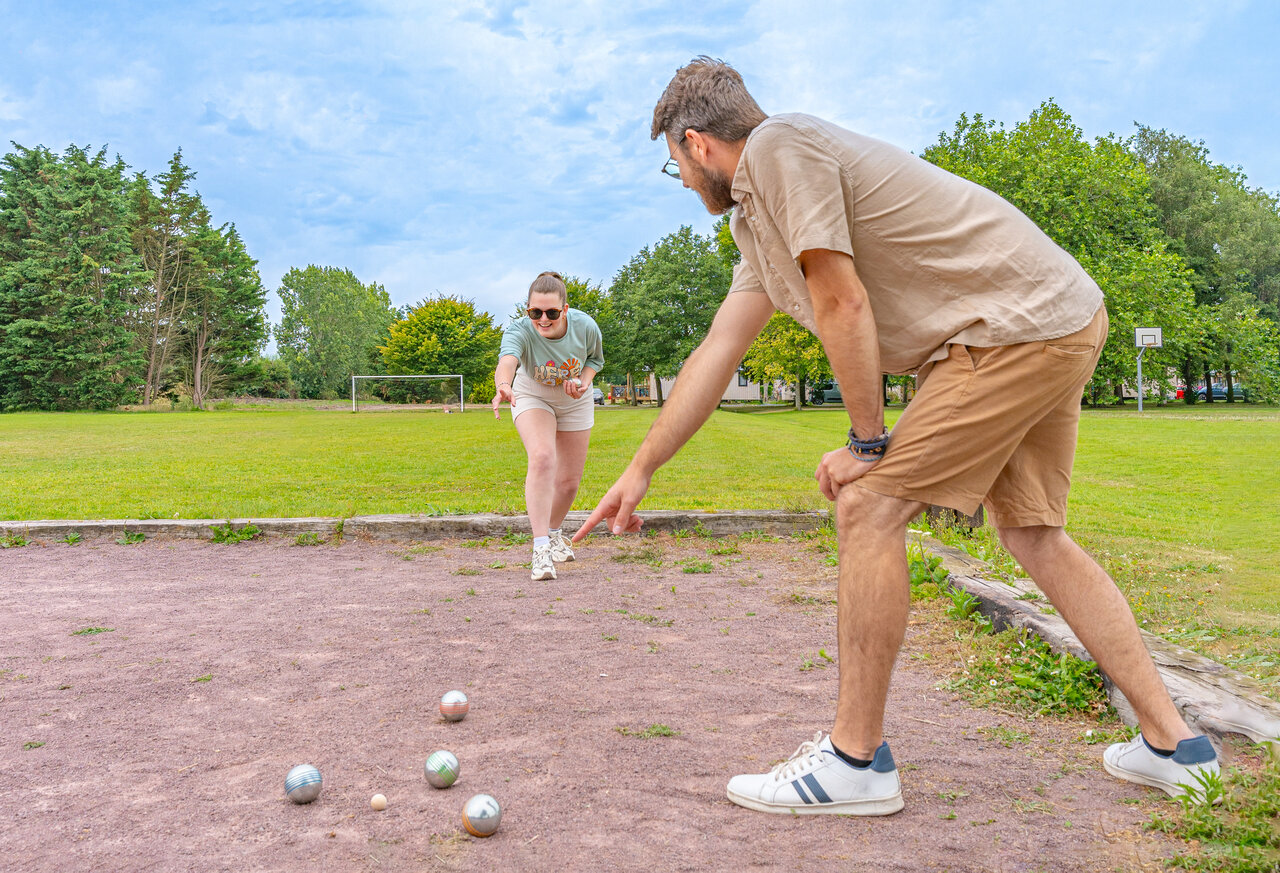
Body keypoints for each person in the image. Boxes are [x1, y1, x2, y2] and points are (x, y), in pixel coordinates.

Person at [575, 57, 1219, 815]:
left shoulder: (781, 150)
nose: (679, 180)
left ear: (698, 143)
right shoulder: (762, 218)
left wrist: (868, 442)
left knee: (869, 506)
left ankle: (855, 761)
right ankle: (1179, 746)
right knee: (1035, 534)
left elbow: (842, 300)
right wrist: (643, 466)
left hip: (1006, 333)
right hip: (1054, 314)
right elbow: (719, 349)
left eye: (673, 165)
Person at [494, 271, 604, 582]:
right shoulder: (519, 330)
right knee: (542, 458)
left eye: (552, 313)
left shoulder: (585, 326)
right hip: (532, 394)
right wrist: (503, 384)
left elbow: (596, 360)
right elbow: (508, 360)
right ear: (527, 309)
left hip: (574, 399)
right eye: (535, 312)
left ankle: (554, 533)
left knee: (568, 482)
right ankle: (540, 547)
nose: (543, 319)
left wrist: (582, 384)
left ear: (565, 309)